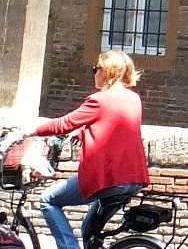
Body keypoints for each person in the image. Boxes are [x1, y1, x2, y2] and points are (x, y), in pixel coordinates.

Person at [30, 49, 149, 249]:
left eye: (97, 68)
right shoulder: (132, 99)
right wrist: (85, 133)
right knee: (89, 231)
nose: (94, 72)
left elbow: (64, 123)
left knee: (48, 200)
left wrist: (31, 131)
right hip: (133, 178)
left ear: (107, 71)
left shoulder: (99, 100)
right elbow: (115, 129)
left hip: (110, 178)